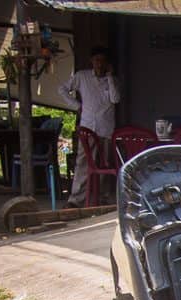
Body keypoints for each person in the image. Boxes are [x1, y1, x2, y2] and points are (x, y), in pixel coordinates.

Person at [59, 47, 120, 208]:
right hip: (88, 127)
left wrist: (110, 77)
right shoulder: (82, 76)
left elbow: (115, 99)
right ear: (92, 62)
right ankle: (76, 199)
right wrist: (76, 105)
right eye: (96, 60)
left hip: (106, 128)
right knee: (83, 164)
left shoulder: (111, 80)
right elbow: (62, 90)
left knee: (104, 164)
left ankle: (101, 198)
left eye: (102, 61)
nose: (99, 64)